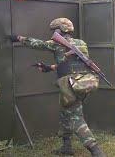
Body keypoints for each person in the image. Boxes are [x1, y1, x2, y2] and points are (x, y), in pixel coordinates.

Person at [11, 18, 106, 157]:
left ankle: (96, 151)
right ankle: (66, 147)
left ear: (59, 30)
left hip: (70, 85)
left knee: (75, 118)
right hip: (83, 83)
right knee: (65, 113)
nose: (53, 32)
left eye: (54, 29)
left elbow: (37, 44)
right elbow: (71, 63)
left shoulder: (56, 43)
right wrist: (49, 68)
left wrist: (18, 38)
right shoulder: (81, 43)